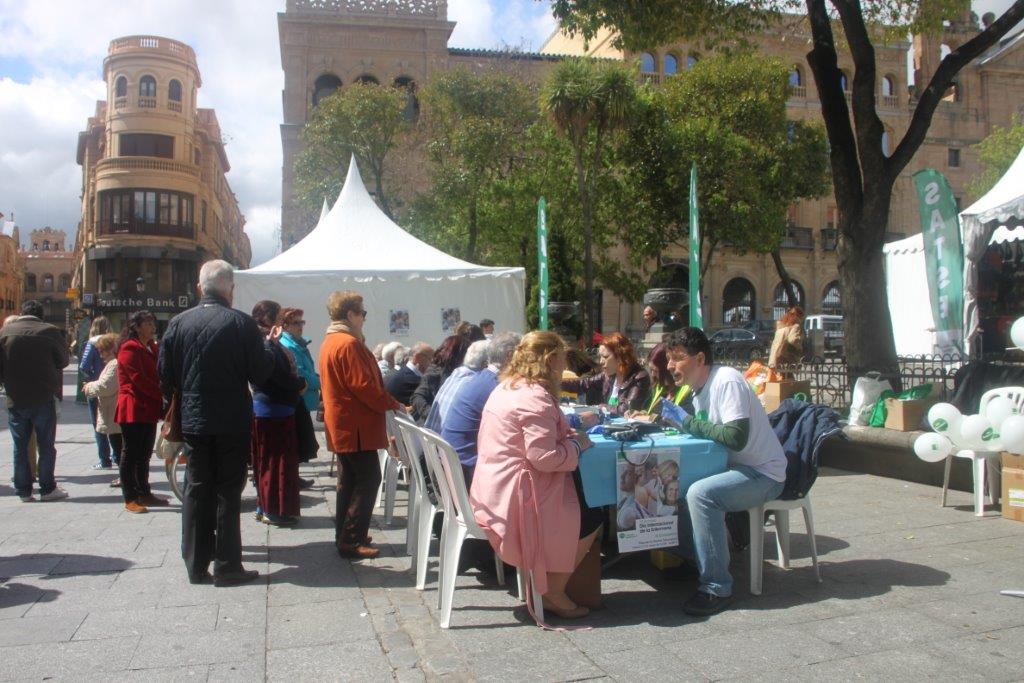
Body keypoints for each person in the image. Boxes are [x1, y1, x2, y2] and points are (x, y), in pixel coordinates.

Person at [470, 331, 603, 621]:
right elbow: (544, 458)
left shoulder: (510, 387)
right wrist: (577, 444)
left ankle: (548, 583)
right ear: (551, 359)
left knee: (585, 500)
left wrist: (564, 435)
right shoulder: (535, 397)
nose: (566, 362)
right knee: (593, 513)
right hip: (518, 495)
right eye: (563, 356)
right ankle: (552, 592)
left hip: (495, 486)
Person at [158, 259, 276, 586]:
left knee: (197, 487)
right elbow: (261, 374)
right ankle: (227, 564)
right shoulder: (241, 325)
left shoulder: (178, 323)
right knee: (228, 489)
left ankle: (196, 564)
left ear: (200, 288)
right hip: (231, 418)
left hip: (195, 420)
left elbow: (164, 376)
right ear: (231, 291)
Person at [665, 327, 787, 616]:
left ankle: (717, 586)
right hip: (736, 469)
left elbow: (735, 437)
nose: (670, 366)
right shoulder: (698, 392)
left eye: (677, 358)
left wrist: (688, 423)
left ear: (700, 358)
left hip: (764, 474)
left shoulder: (726, 381)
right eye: (669, 359)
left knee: (700, 494)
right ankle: (700, 558)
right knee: (672, 484)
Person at [319, 290, 403, 560]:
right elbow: (363, 386)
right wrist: (391, 403)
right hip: (355, 425)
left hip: (346, 423)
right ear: (350, 314)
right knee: (368, 479)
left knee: (350, 481)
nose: (364, 318)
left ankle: (346, 534)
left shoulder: (332, 341)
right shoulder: (347, 344)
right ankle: (350, 540)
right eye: (362, 313)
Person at [0, 301, 69, 502]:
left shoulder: (5, 332)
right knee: (46, 444)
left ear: (21, 313)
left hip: (16, 398)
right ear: (41, 315)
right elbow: (63, 360)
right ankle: (47, 488)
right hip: (43, 395)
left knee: (20, 445)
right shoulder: (50, 331)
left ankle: (24, 491)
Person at [250, 301, 307, 527]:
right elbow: (274, 375)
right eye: (277, 317)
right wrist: (299, 383)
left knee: (271, 462)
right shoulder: (264, 342)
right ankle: (273, 509)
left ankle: (266, 506)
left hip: (275, 407)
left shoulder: (267, 340)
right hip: (273, 409)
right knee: (275, 463)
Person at [115, 310, 167, 514]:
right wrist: (161, 393)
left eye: (153, 323)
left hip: (148, 407)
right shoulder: (129, 348)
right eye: (147, 323)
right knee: (131, 453)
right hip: (133, 407)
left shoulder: (151, 347)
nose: (153, 327)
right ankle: (130, 497)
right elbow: (138, 378)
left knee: (144, 453)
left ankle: (144, 491)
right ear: (136, 327)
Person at [562, 332, 651, 414]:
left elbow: (627, 409)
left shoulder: (639, 377)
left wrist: (602, 407)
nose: (601, 361)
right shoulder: (607, 375)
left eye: (605, 357)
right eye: (600, 357)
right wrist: (554, 383)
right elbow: (582, 384)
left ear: (620, 357)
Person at [278, 307, 320, 477]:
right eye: (296, 323)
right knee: (295, 441)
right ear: (285, 326)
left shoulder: (297, 343)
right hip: (297, 398)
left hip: (301, 397)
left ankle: (294, 476)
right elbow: (301, 373)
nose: (300, 326)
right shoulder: (289, 345)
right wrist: (320, 381)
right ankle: (292, 477)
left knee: (297, 441)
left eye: (301, 322)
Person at [82, 333, 123, 485]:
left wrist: (89, 387)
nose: (100, 355)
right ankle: (124, 475)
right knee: (118, 446)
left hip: (113, 411)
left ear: (111, 349)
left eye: (102, 351)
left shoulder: (115, 365)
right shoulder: (113, 364)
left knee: (119, 447)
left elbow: (105, 386)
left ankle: (125, 477)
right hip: (112, 411)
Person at [424, 339, 488, 433]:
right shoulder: (474, 383)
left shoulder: (456, 374)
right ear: (485, 364)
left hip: (431, 441)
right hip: (444, 444)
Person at [409, 335, 470, 424]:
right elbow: (417, 396)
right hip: (435, 428)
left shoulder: (434, 368)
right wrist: (433, 415)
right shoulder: (436, 372)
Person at [79, 316, 114, 469]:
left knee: (98, 425)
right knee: (114, 423)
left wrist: (91, 379)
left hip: (97, 386)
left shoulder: (92, 343)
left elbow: (84, 366)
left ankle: (104, 459)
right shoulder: (114, 342)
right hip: (113, 385)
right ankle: (117, 455)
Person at [628, 343, 691, 420]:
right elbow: (649, 409)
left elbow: (681, 419)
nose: (653, 375)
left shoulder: (686, 389)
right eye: (651, 370)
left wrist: (649, 418)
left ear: (666, 370)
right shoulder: (658, 388)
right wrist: (641, 413)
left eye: (655, 371)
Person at [385, 341, 432, 406]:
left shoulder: (395, 373)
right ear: (418, 357)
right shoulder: (413, 381)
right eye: (430, 358)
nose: (432, 362)